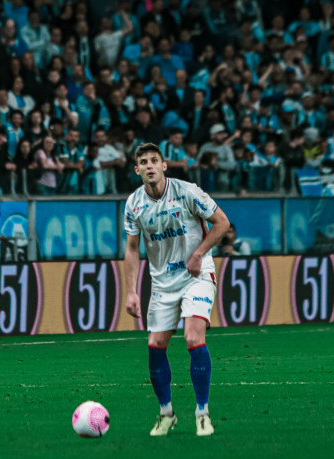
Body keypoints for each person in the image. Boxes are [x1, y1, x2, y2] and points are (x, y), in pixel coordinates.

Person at [123, 143, 230, 437]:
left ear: (164, 165)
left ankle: (202, 413)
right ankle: (166, 413)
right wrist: (131, 291)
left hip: (197, 274)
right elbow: (132, 249)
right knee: (155, 345)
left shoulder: (187, 191)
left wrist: (198, 254)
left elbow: (222, 223)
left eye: (154, 160)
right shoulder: (133, 204)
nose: (149, 166)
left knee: (193, 336)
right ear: (137, 170)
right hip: (162, 283)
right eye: (143, 162)